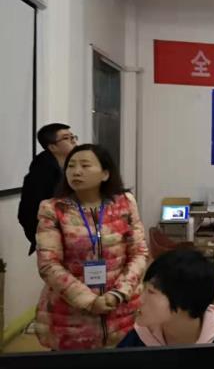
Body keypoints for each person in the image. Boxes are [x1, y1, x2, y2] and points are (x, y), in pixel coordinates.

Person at [35, 144, 148, 350]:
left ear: (105, 174)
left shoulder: (124, 203)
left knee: (124, 367)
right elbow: (48, 264)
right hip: (71, 319)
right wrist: (89, 301)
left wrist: (118, 293)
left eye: (85, 165)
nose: (76, 171)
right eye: (71, 166)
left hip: (122, 313)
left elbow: (139, 253)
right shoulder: (53, 209)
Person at [18, 124, 78, 254]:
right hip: (54, 241)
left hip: (75, 236)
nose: (73, 141)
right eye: (66, 138)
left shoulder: (73, 165)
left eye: (73, 137)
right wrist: (44, 240)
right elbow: (27, 213)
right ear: (52, 147)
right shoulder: (40, 173)